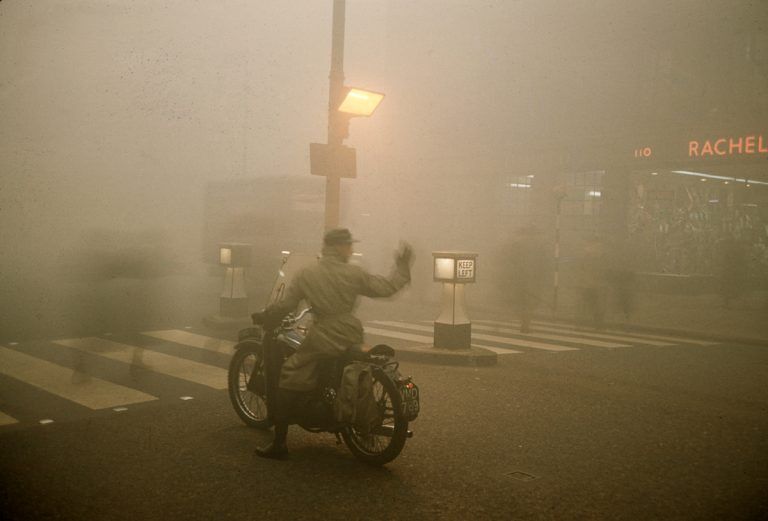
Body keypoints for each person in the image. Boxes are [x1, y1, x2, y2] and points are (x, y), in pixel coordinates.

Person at [252, 228, 413, 459]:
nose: (351, 249)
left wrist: (267, 315)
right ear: (337, 247)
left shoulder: (308, 274)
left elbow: (287, 305)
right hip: (351, 332)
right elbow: (385, 288)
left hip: (325, 333)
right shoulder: (354, 273)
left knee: (290, 372)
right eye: (348, 245)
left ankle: (279, 444)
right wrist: (402, 267)